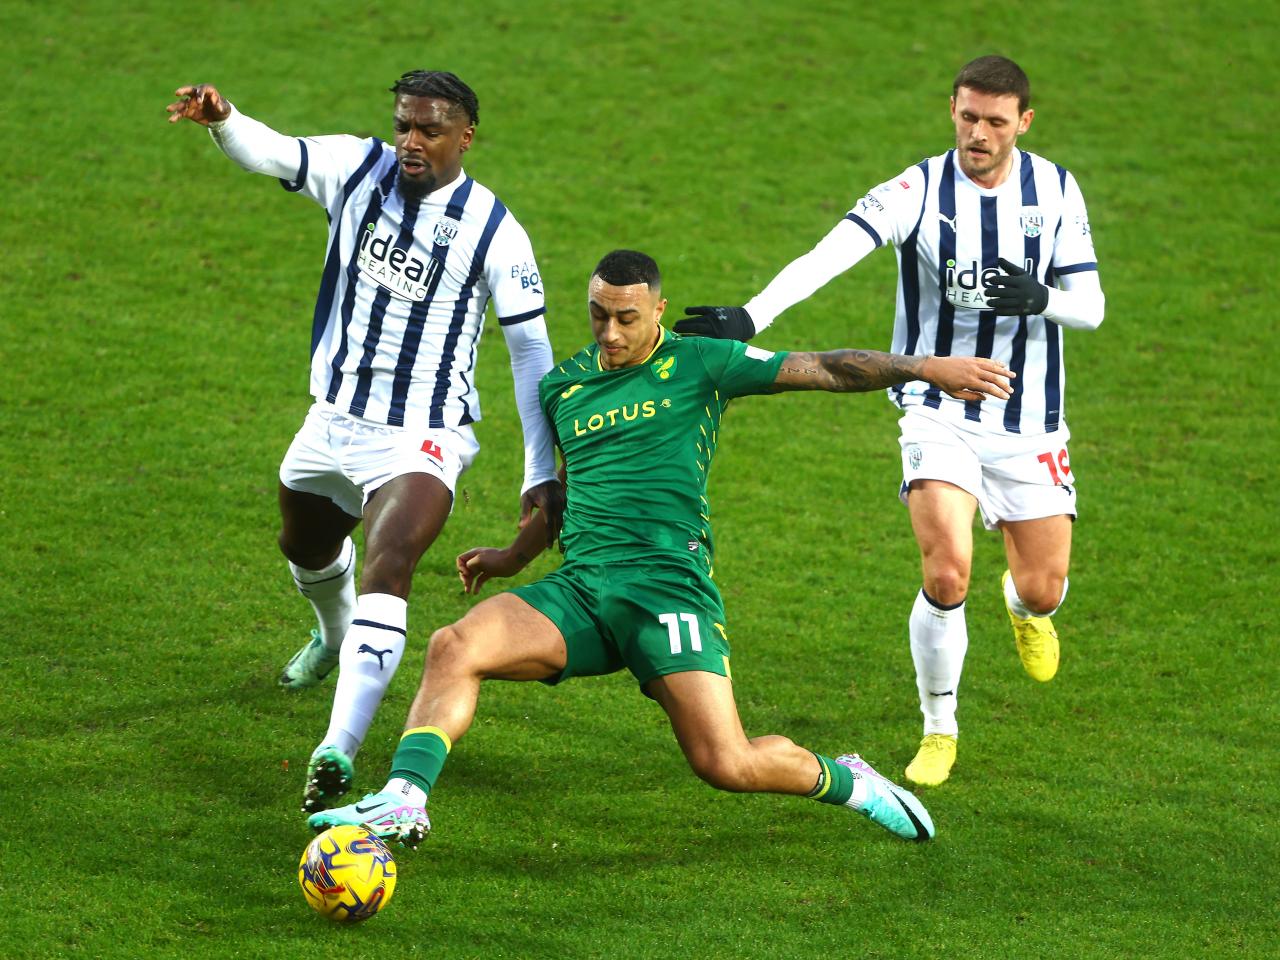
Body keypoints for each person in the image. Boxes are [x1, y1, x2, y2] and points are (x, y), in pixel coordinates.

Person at [308, 249, 1014, 846]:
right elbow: (561, 493)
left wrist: (925, 367)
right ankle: (404, 798)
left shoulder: (702, 363)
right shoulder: (565, 386)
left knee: (726, 762)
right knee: (453, 647)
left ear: (657, 310)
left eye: (627, 319)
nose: (610, 333)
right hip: (582, 590)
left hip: (667, 588)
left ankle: (847, 780)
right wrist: (512, 557)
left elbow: (825, 367)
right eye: (598, 315)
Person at [674, 56, 1105, 788]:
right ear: (953, 110)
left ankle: (1024, 608)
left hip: (1030, 420)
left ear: (1023, 123)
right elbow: (832, 252)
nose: (978, 132)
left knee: (1044, 585)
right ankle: (940, 727)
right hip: (937, 407)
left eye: (995, 121)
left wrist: (1042, 299)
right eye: (967, 116)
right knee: (946, 568)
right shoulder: (918, 188)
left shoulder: (1056, 190)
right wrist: (752, 317)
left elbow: (1090, 309)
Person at [165, 71, 564, 814]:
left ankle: (336, 749)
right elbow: (275, 154)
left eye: (430, 131)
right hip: (333, 419)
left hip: (423, 437)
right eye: (404, 126)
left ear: (465, 137)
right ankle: (334, 635)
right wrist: (224, 119)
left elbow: (531, 356)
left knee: (391, 560)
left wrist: (538, 471)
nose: (412, 143)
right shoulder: (358, 166)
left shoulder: (495, 232)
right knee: (304, 545)